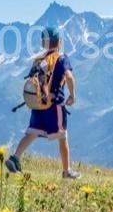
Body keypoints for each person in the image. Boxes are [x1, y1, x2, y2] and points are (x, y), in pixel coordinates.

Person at [4, 27, 80, 179]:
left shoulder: (38, 60)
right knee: (62, 136)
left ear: (44, 43)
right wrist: (72, 95)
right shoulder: (61, 58)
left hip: (37, 103)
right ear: (59, 42)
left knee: (32, 132)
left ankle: (15, 157)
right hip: (54, 104)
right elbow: (69, 77)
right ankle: (67, 171)